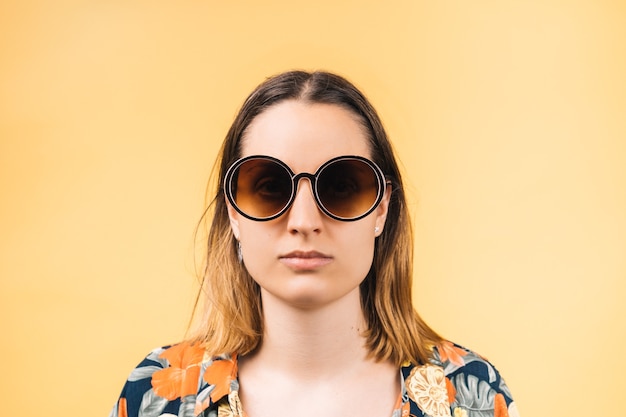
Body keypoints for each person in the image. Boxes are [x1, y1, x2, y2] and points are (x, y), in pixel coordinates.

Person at [109, 70, 519, 417]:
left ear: (382, 209)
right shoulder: (160, 395)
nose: (304, 222)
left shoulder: (469, 394)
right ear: (233, 212)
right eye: (269, 187)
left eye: (341, 186)